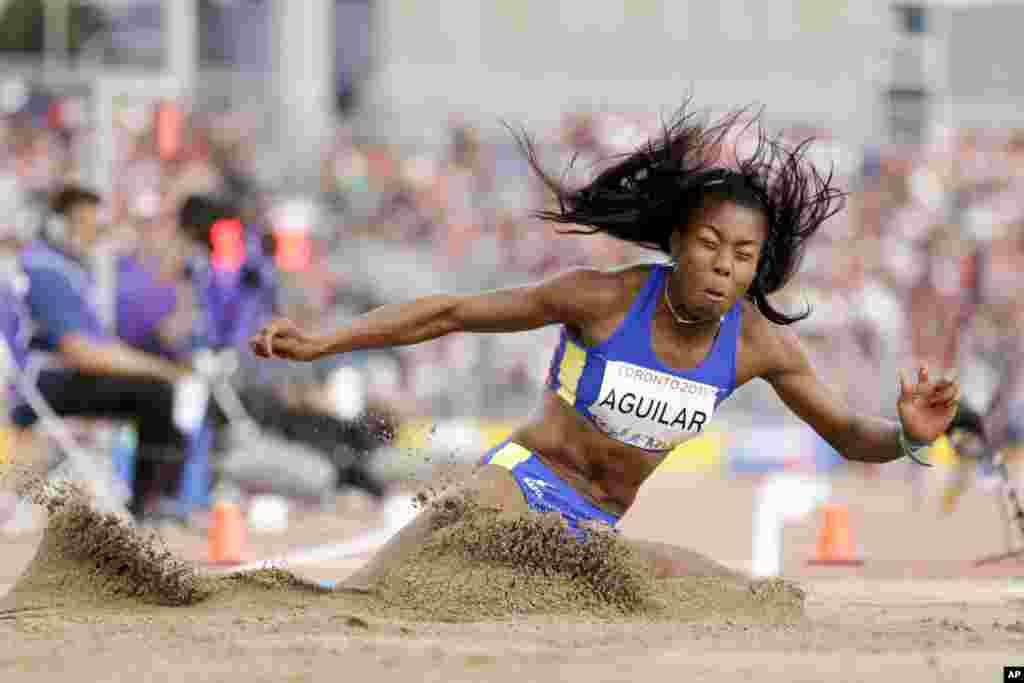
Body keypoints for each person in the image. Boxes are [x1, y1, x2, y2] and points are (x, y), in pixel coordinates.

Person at [251, 104, 961, 590]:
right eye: (710, 244)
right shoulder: (605, 298)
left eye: (742, 255)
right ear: (678, 242)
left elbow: (844, 431)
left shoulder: (757, 346)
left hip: (594, 531)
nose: (723, 265)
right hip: (515, 484)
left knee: (748, 595)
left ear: (756, 265)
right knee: (380, 587)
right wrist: (322, 343)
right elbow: (450, 313)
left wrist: (906, 435)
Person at [14, 185, 203, 521]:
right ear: (58, 225)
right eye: (85, 224)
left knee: (166, 387)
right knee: (156, 393)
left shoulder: (71, 270)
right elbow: (82, 352)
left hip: (64, 376)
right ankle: (147, 505)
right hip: (38, 384)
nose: (93, 235)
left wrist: (159, 367)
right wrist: (158, 370)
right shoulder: (45, 269)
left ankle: (159, 499)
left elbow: (105, 347)